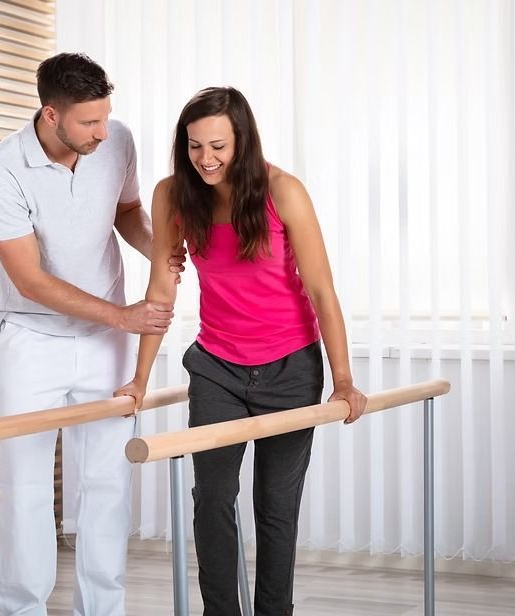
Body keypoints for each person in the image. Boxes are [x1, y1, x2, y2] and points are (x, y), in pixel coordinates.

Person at [115, 86, 367, 616]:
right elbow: (162, 292)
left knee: (276, 507)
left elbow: (322, 290)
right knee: (211, 498)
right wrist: (138, 379)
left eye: (218, 146)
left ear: (243, 142)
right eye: (194, 146)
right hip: (218, 368)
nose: (205, 159)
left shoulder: (283, 191)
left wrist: (342, 379)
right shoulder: (172, 195)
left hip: (291, 368)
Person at [0, 52, 183, 616]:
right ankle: (22, 609)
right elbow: (31, 280)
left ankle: (103, 609)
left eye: (106, 117)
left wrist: (161, 249)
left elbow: (129, 211)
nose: (102, 131)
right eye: (89, 122)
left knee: (108, 481)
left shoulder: (116, 141)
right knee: (25, 486)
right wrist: (124, 317)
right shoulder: (2, 170)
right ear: (50, 115)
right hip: (31, 338)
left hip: (105, 342)